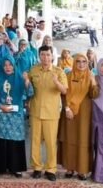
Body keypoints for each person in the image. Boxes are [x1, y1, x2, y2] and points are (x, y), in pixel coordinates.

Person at [28, 45, 67, 181]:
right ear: (39, 56)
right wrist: (25, 80)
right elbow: (27, 87)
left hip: (51, 113)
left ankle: (51, 169)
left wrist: (56, 82)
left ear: (52, 56)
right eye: (43, 55)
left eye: (48, 55)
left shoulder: (58, 72)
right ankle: (37, 167)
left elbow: (64, 91)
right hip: (35, 111)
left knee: (51, 142)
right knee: (35, 141)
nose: (45, 58)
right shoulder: (33, 70)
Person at [0, 55, 33, 177]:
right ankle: (1, 167)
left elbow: (30, 93)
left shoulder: (20, 77)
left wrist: (26, 81)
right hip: (2, 114)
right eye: (5, 65)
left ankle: (16, 168)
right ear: (2, 66)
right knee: (2, 140)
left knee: (15, 141)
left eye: (10, 64)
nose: (8, 67)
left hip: (16, 115)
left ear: (14, 65)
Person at [60, 53, 96, 180]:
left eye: (84, 62)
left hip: (84, 114)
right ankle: (70, 168)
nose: (81, 64)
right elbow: (63, 95)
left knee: (83, 140)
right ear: (74, 62)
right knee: (70, 139)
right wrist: (67, 108)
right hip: (69, 113)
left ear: (87, 63)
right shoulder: (68, 76)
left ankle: (82, 170)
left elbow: (94, 95)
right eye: (78, 61)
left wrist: (93, 83)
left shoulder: (91, 76)